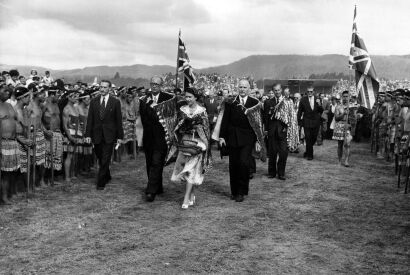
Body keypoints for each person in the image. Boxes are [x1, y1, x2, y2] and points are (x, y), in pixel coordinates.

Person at [219, 79, 265, 202]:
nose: (242, 89)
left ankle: (242, 191)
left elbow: (258, 124)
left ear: (249, 89)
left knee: (244, 164)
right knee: (233, 165)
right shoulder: (231, 102)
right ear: (237, 88)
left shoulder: (254, 103)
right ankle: (234, 191)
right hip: (232, 137)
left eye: (245, 87)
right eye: (240, 87)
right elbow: (225, 120)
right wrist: (222, 136)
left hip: (247, 138)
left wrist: (257, 141)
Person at [170, 87, 212, 209]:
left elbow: (206, 129)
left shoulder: (202, 111)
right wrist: (184, 127)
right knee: (187, 170)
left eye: (190, 97)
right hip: (185, 143)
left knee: (191, 170)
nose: (187, 99)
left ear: (196, 98)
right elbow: (177, 127)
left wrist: (198, 130)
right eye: (186, 97)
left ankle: (186, 198)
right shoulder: (182, 110)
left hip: (197, 144)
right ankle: (192, 193)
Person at [139, 76, 175, 202]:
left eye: (157, 84)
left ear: (161, 85)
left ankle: (150, 191)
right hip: (148, 136)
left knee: (156, 162)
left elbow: (170, 117)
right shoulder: (144, 99)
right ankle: (157, 187)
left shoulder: (168, 98)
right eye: (152, 83)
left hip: (161, 136)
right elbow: (143, 117)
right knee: (150, 163)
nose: (154, 86)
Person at [85, 80, 123, 190]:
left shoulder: (115, 102)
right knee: (100, 156)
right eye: (101, 87)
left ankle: (101, 182)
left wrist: (120, 136)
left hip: (109, 135)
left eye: (105, 87)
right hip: (96, 134)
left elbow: (118, 120)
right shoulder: (94, 101)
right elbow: (90, 119)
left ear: (109, 89)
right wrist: (88, 135)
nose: (102, 89)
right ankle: (107, 174)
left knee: (106, 157)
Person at [0, 85, 21, 204]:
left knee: (11, 171)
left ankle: (7, 194)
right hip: (3, 142)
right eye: (4, 90)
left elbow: (16, 120)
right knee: (4, 173)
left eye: (8, 91)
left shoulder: (9, 105)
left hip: (12, 142)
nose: (7, 93)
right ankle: (3, 197)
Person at [42, 88, 64, 184]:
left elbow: (58, 119)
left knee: (56, 157)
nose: (59, 97)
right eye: (57, 95)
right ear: (52, 94)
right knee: (47, 157)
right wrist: (45, 131)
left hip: (57, 133)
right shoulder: (44, 105)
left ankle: (51, 178)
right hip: (48, 134)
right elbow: (39, 120)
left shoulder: (56, 104)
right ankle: (43, 179)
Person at [332, 91, 360, 167]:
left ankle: (346, 160)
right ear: (342, 97)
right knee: (340, 144)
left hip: (348, 127)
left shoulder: (352, 107)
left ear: (349, 97)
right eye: (344, 96)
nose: (345, 98)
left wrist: (354, 119)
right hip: (339, 126)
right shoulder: (338, 106)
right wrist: (343, 113)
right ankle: (339, 160)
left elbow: (355, 119)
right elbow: (336, 118)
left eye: (347, 96)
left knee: (347, 144)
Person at [297, 86, 323, 160]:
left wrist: (319, 104)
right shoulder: (303, 99)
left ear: (313, 92)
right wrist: (298, 122)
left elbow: (321, 110)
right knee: (308, 138)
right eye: (308, 91)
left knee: (313, 138)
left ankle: (307, 151)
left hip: (316, 122)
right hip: (307, 122)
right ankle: (310, 155)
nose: (309, 93)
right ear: (306, 92)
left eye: (311, 91)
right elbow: (299, 112)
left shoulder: (318, 99)